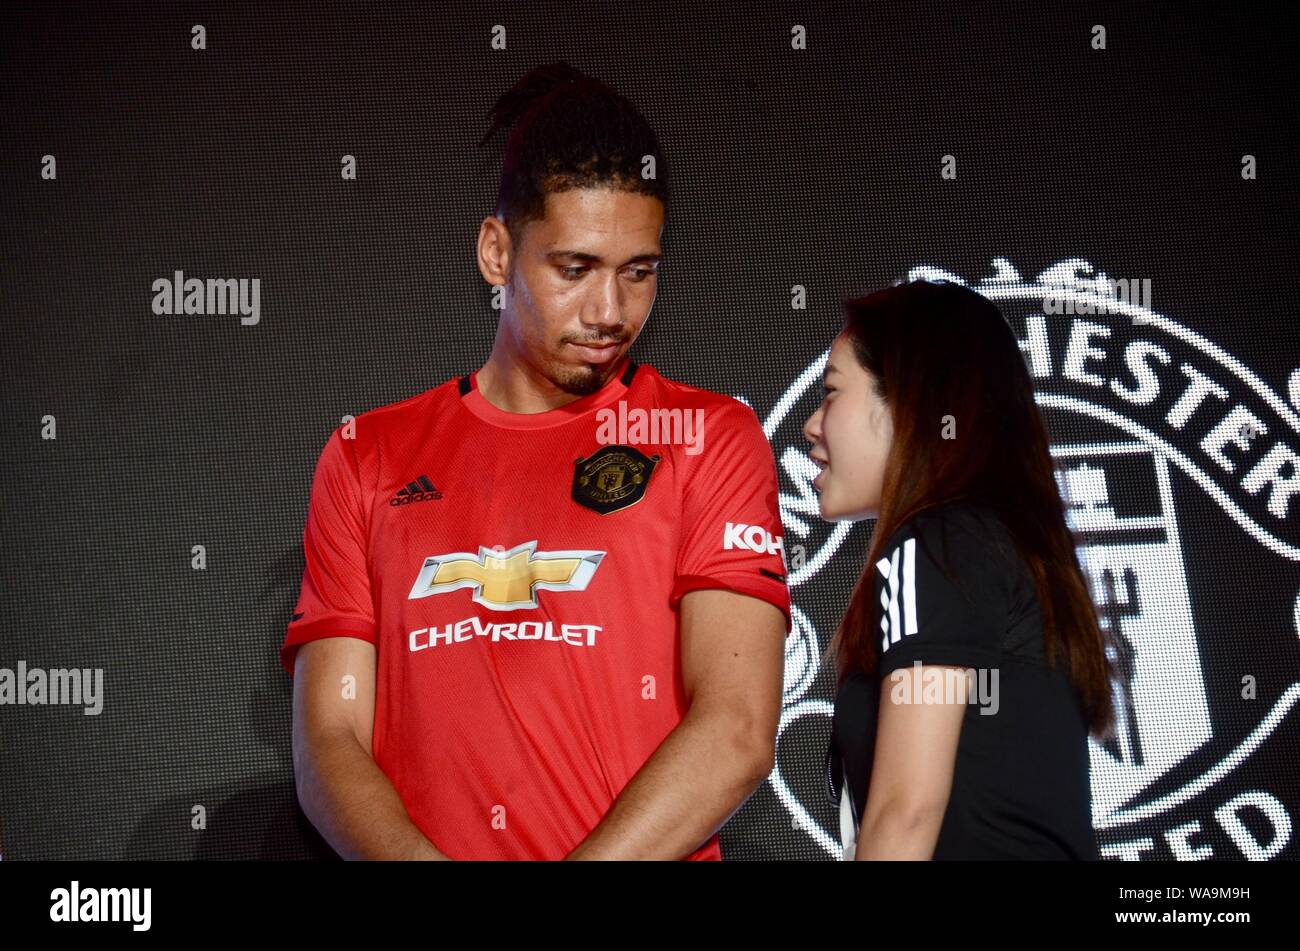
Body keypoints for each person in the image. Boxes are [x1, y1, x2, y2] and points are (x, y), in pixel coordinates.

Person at [280, 62, 791, 861]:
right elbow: (330, 741)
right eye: (575, 269)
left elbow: (737, 729)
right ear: (497, 251)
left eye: (639, 272)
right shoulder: (367, 455)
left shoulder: (708, 436)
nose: (610, 311)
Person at [804, 280, 1114, 859]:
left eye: (831, 393)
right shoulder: (994, 543)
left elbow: (907, 811)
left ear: (908, 403)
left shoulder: (938, 543)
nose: (812, 426)